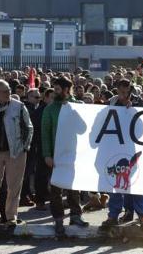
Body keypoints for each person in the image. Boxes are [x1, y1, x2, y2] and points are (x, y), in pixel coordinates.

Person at [100, 79, 143, 230]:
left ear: (130, 89)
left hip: (133, 148)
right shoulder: (112, 103)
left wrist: (133, 109)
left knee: (136, 182)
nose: (123, 94)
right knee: (115, 183)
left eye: (125, 91)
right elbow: (103, 120)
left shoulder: (138, 102)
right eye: (120, 91)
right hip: (115, 149)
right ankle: (113, 215)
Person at [0, 80, 33, 231]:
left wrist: (24, 147)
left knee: (14, 186)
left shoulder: (19, 106)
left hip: (15, 153)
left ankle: (11, 217)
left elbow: (29, 127)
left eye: (9, 90)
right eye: (5, 91)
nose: (8, 93)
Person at [41, 76, 89, 237]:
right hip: (55, 156)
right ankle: (58, 220)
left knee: (74, 188)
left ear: (67, 90)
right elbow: (45, 133)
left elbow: (83, 130)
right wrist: (47, 154)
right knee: (55, 189)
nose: (54, 92)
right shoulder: (50, 109)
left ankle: (76, 216)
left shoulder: (78, 107)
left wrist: (74, 112)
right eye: (54, 89)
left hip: (73, 155)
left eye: (58, 89)